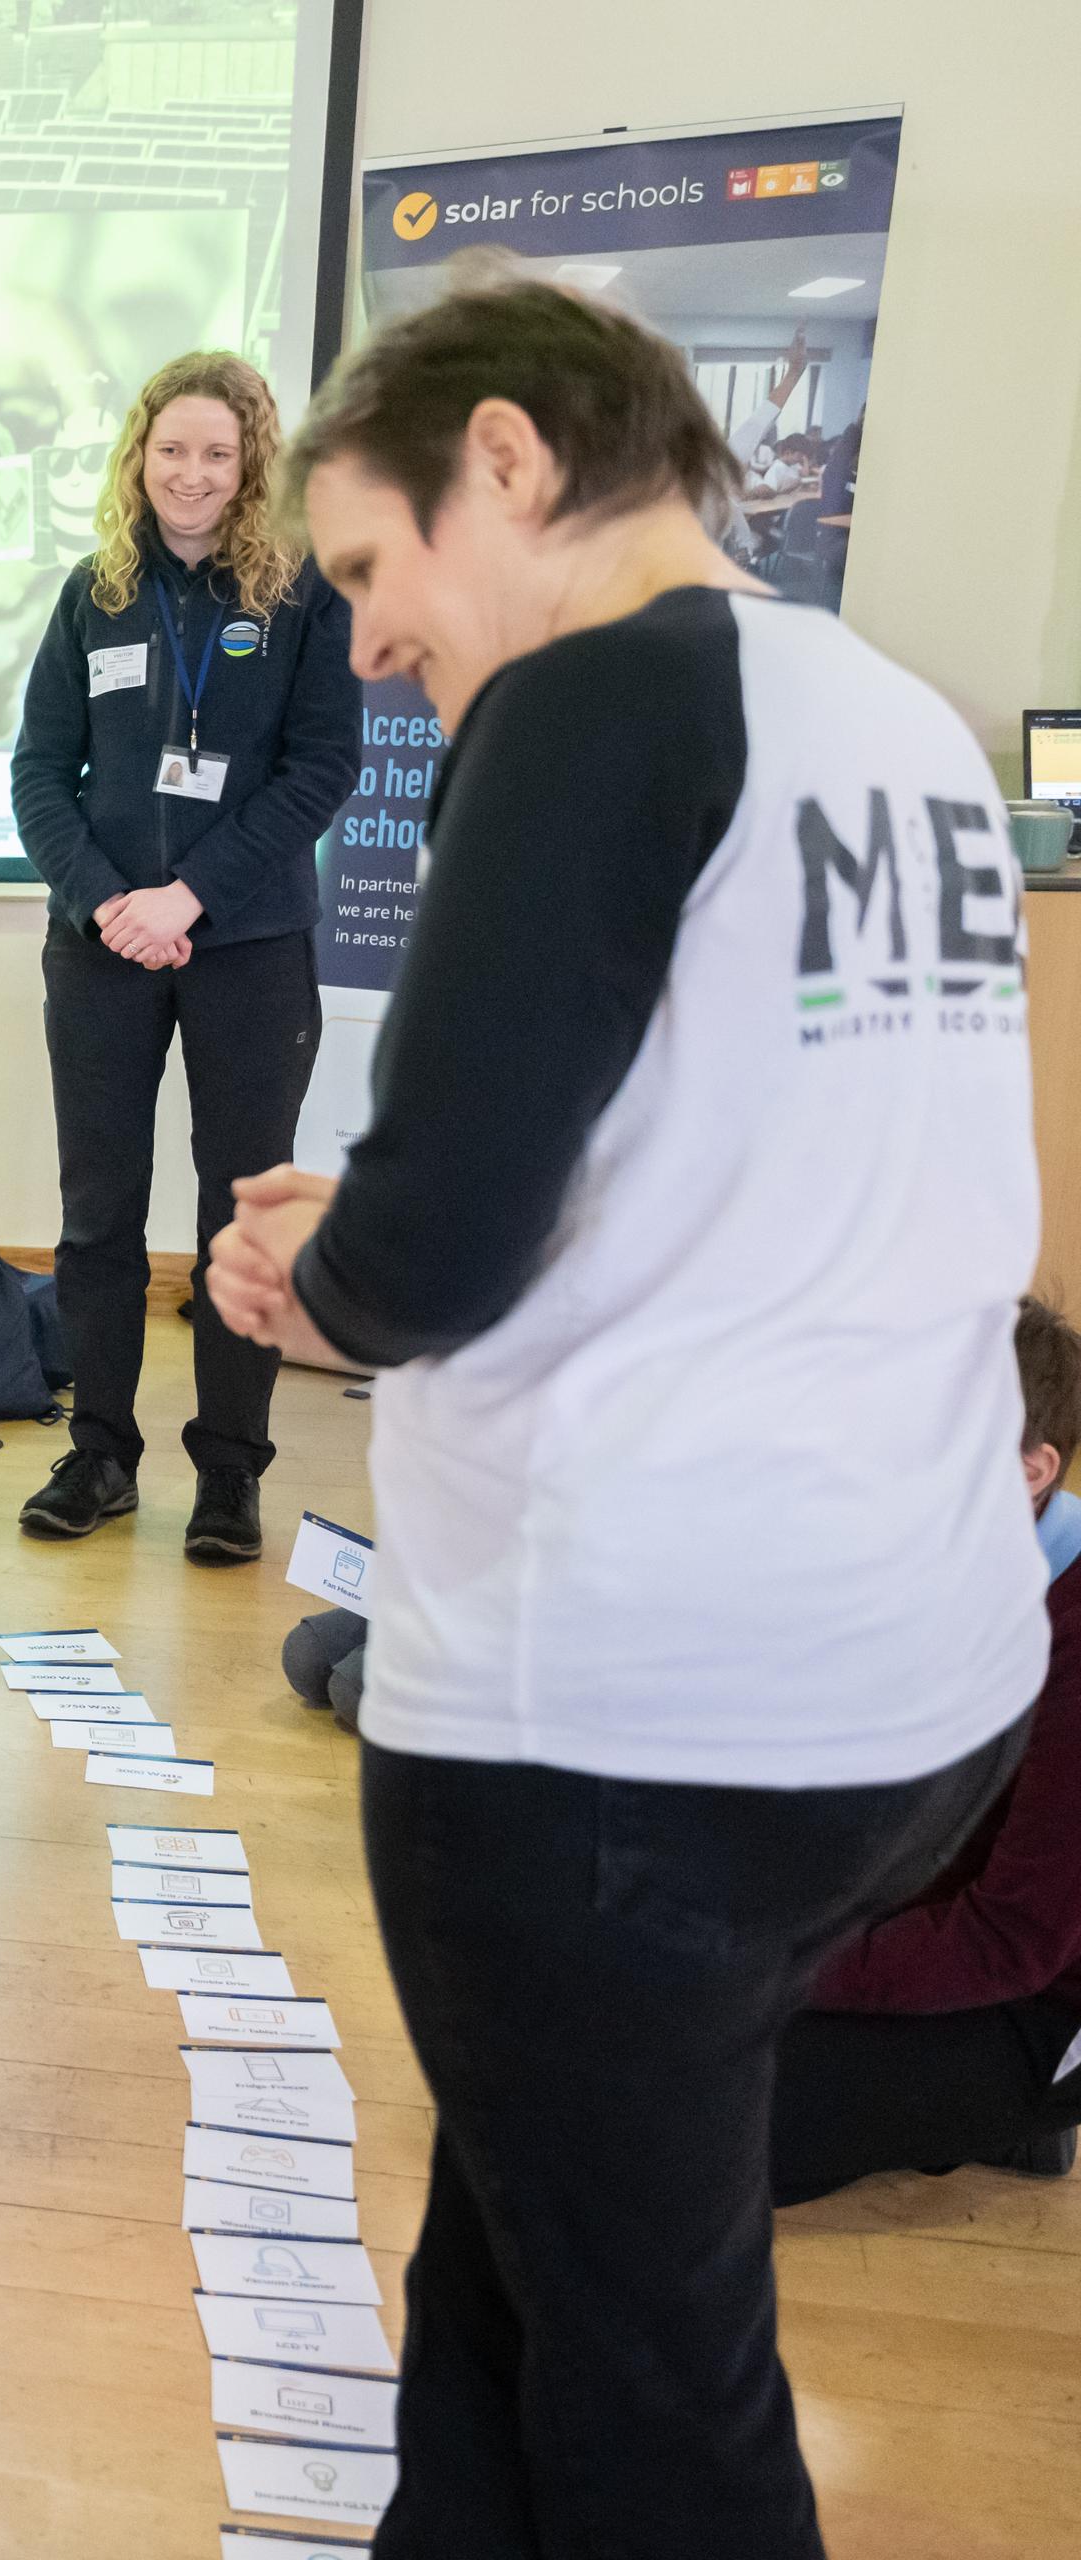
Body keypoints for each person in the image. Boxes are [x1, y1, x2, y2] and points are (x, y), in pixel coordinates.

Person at [208, 277, 1040, 2560]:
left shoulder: (583, 701)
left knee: (650, 2374)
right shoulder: (884, 711)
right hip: (910, 1655)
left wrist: (314, 1270)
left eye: (372, 570)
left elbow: (435, 1240)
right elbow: (721, 1143)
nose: (368, 650)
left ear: (502, 460)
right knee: (523, 2247)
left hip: (640, 1710)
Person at [7, 349, 356, 1565]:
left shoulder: (303, 595)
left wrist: (189, 897)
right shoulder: (92, 594)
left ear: (252, 461)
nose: (191, 474)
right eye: (171, 451)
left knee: (238, 1217)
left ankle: (230, 1473)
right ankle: (99, 1452)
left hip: (248, 947)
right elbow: (39, 777)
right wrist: (111, 903)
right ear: (137, 459)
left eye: (217, 452)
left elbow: (321, 772)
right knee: (98, 1214)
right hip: (101, 945)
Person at [772, 1295, 1081, 2203]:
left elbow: (1013, 1940)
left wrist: (782, 1970)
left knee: (659, 2132)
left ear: (1032, 1470)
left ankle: (1016, 2108)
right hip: (928, 1888)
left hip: (1044, 1991)